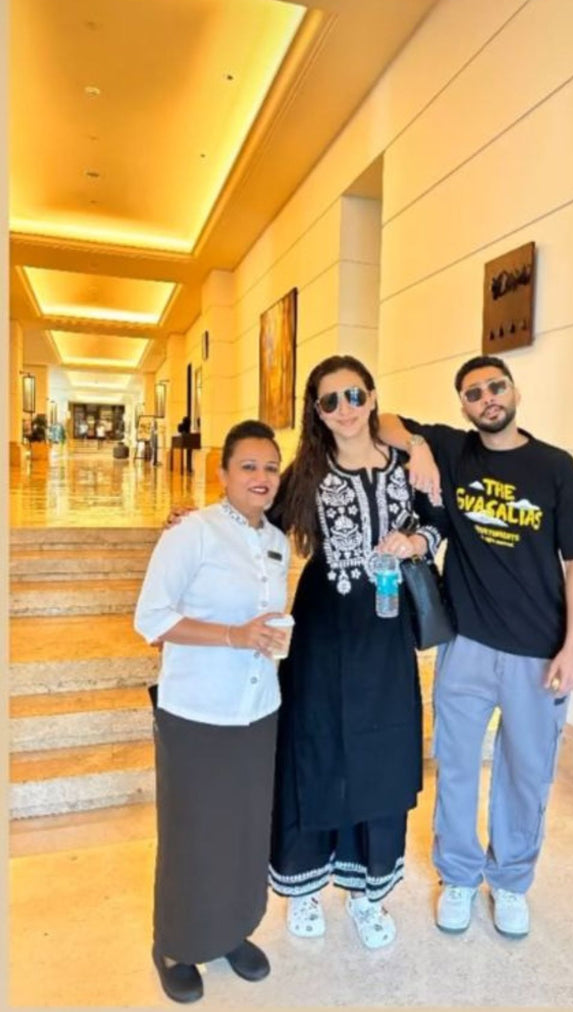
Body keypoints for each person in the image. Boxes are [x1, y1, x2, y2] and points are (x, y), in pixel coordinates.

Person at [378, 355, 573, 940]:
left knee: (526, 773)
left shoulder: (556, 467)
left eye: (495, 387)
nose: (487, 399)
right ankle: (458, 876)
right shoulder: (453, 450)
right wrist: (419, 447)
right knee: (456, 766)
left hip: (539, 651)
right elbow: (382, 421)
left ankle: (509, 881)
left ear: (514, 391)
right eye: (473, 393)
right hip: (468, 645)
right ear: (463, 406)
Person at [267, 354, 441, 950]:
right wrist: (195, 523)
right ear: (316, 412)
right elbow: (257, 517)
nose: (345, 409)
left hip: (386, 635)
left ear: (371, 397)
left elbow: (438, 523)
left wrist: (414, 539)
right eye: (330, 401)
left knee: (382, 752)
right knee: (314, 745)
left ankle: (370, 892)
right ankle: (304, 886)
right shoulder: (308, 474)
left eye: (354, 395)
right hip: (323, 631)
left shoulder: (406, 464)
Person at [134, 420, 291, 1004]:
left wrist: (269, 640)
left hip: (257, 707)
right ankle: (175, 944)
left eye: (270, 467)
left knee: (245, 828)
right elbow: (151, 619)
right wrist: (233, 635)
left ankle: (231, 931)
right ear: (223, 473)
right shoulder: (192, 533)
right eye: (248, 466)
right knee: (192, 831)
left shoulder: (278, 541)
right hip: (197, 710)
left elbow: (266, 618)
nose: (261, 477)